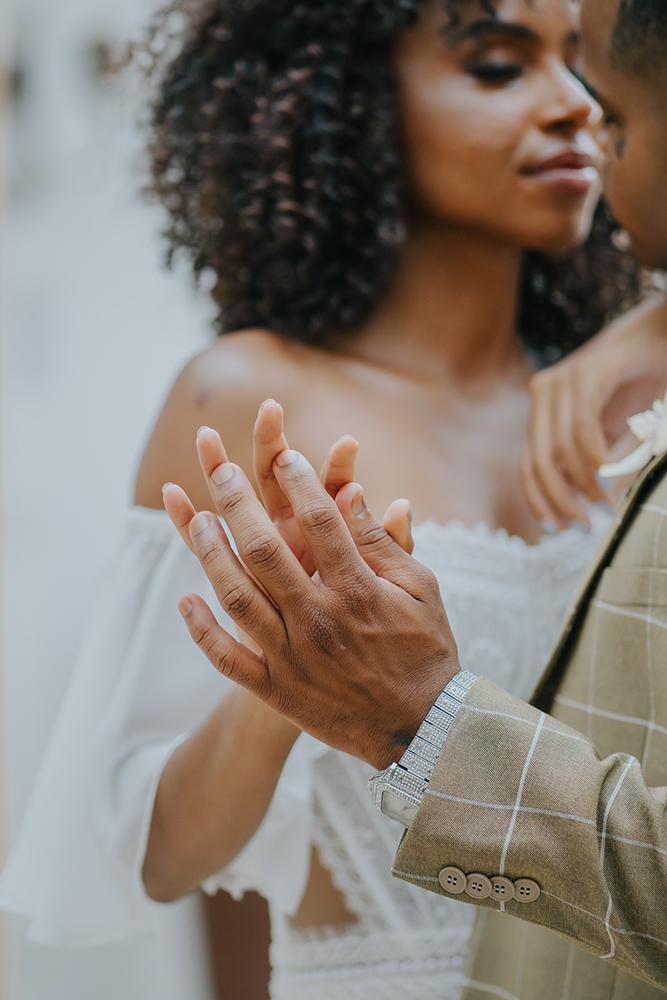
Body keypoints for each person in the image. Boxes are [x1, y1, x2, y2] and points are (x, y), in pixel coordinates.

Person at [0, 0, 644, 998]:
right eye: (494, 68)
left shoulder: (628, 406)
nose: (570, 107)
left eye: (578, 68)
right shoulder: (249, 398)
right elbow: (157, 858)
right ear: (351, 105)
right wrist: (288, 688)